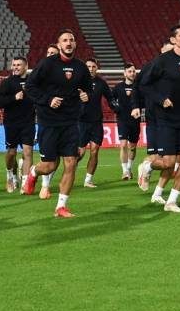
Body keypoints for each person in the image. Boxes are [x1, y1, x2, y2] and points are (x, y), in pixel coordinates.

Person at [22, 29, 93, 217]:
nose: (68, 43)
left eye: (71, 40)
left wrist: (86, 95)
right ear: (59, 44)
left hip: (70, 122)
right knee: (50, 166)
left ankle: (61, 206)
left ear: (75, 43)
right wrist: (48, 100)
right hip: (49, 121)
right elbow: (30, 86)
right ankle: (33, 172)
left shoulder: (81, 67)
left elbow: (88, 89)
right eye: (65, 40)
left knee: (71, 163)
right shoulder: (47, 64)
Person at [137, 24, 180, 213]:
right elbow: (144, 85)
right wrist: (161, 99)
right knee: (168, 162)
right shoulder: (162, 61)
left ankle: (172, 201)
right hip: (166, 119)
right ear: (173, 40)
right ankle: (148, 165)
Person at [134, 41, 177, 204]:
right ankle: (147, 168)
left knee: (176, 160)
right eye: (168, 50)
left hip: (174, 117)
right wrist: (136, 106)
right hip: (155, 117)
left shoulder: (177, 69)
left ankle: (157, 192)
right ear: (161, 51)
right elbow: (138, 87)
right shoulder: (150, 67)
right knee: (158, 157)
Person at [0, 56, 35, 193]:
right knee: (11, 153)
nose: (16, 67)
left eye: (19, 65)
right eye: (14, 65)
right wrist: (14, 98)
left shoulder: (32, 82)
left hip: (28, 122)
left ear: (26, 66)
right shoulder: (7, 82)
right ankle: (10, 175)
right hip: (11, 123)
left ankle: (25, 184)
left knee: (28, 152)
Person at [77, 58, 116, 188]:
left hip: (96, 122)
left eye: (93, 66)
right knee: (80, 153)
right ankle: (69, 172)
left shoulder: (101, 83)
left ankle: (88, 180)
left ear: (97, 68)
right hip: (81, 122)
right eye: (88, 66)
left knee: (94, 151)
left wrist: (116, 107)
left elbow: (110, 98)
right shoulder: (78, 82)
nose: (91, 69)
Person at [38, 44, 61, 200]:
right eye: (49, 52)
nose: (50, 55)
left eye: (54, 53)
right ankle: (43, 185)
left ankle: (46, 183)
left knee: (57, 158)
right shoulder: (40, 74)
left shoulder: (64, 75)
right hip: (46, 121)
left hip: (63, 121)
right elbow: (33, 92)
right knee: (47, 158)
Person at [111, 62, 140, 180]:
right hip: (122, 120)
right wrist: (116, 109)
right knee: (123, 145)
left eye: (133, 71)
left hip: (135, 120)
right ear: (125, 73)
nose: (132, 73)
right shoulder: (118, 87)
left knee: (132, 147)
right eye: (130, 71)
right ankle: (125, 171)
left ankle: (129, 168)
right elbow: (111, 100)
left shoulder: (139, 87)